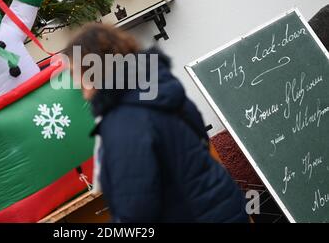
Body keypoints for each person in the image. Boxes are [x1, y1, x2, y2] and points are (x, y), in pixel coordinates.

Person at [63, 24, 249, 223]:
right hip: (224, 207)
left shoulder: (123, 121)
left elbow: (135, 210)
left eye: (75, 71)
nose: (75, 82)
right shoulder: (159, 89)